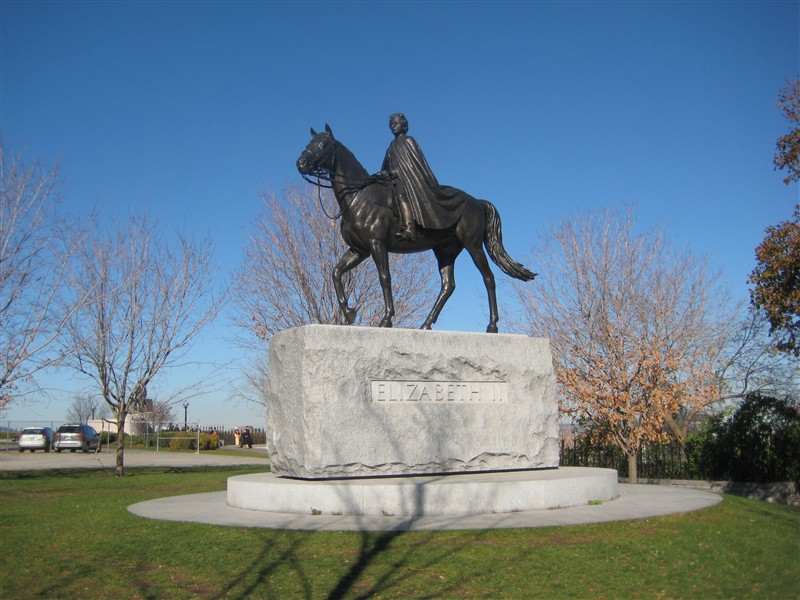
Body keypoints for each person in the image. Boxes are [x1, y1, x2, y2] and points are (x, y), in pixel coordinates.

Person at [380, 113, 466, 241]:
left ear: (404, 125)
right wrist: (385, 173)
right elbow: (385, 166)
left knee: (401, 194)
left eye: (396, 123)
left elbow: (416, 164)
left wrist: (396, 171)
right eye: (391, 124)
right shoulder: (391, 146)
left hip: (408, 180)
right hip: (393, 180)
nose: (393, 126)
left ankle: (410, 228)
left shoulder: (408, 141)